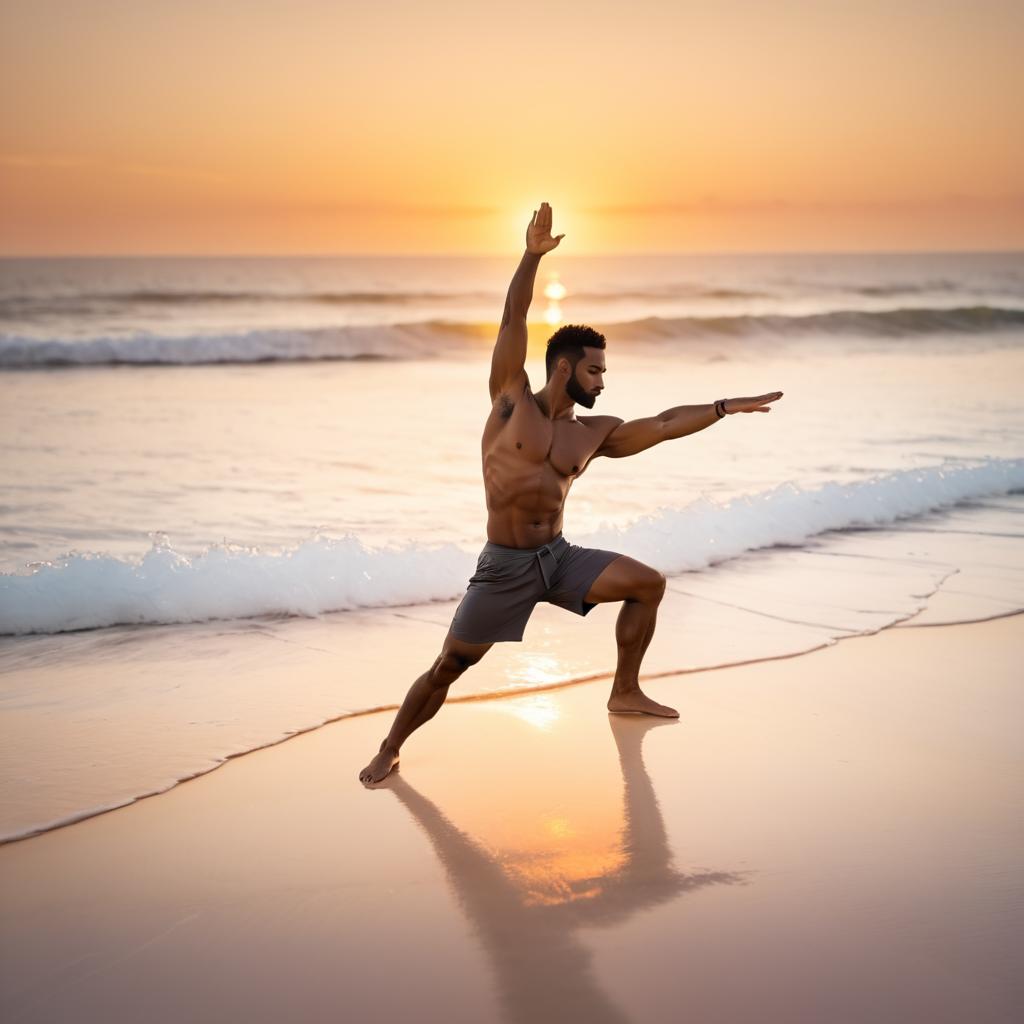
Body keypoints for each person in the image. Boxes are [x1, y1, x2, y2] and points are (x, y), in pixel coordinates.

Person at [359, 202, 783, 784]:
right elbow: (512, 318)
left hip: (557, 559)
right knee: (449, 666)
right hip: (504, 567)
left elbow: (660, 424)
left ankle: (625, 691)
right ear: (563, 369)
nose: (603, 381)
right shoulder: (510, 400)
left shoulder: (593, 432)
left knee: (647, 584)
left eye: (604, 373)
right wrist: (530, 257)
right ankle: (390, 746)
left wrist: (720, 408)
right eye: (594, 372)